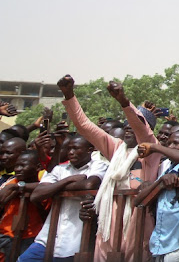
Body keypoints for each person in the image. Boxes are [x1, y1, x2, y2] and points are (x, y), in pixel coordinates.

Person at [59, 75, 161, 262]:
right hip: (109, 222)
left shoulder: (151, 151)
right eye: (125, 125)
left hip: (137, 223)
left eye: (133, 125)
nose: (128, 128)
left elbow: (142, 131)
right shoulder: (116, 148)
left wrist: (124, 102)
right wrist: (69, 96)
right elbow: (85, 127)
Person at [19, 134, 107, 262]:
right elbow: (37, 194)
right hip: (48, 236)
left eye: (76, 148)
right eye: (69, 148)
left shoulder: (99, 165)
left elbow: (89, 184)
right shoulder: (60, 169)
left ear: (89, 150)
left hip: (74, 239)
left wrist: (55, 187)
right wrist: (68, 180)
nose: (71, 152)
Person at [136, 126, 179, 262]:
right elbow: (137, 201)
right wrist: (159, 183)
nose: (170, 146)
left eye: (176, 143)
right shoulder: (166, 170)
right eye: (169, 143)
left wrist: (155, 147)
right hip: (159, 245)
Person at [0, 150, 48, 261]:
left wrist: (21, 187)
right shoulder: (11, 183)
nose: (18, 169)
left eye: (23, 165)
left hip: (32, 236)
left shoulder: (45, 184)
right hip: (6, 234)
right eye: (17, 165)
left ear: (38, 167)